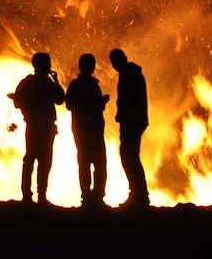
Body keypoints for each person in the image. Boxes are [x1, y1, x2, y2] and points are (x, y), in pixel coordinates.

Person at [9, 52, 65, 204]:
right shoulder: (35, 83)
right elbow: (60, 99)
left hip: (42, 127)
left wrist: (56, 82)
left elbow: (60, 99)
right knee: (36, 160)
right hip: (38, 127)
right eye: (47, 63)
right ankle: (32, 196)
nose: (49, 66)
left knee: (38, 161)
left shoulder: (34, 83)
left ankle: (36, 196)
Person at [65, 53, 110, 207]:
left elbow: (69, 105)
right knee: (97, 163)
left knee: (86, 163)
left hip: (82, 130)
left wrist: (98, 103)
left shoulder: (76, 85)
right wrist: (99, 102)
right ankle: (94, 197)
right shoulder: (89, 85)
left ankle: (90, 197)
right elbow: (71, 105)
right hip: (90, 130)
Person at [110, 48, 150, 208]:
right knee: (130, 157)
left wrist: (123, 114)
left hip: (132, 122)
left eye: (115, 62)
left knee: (129, 157)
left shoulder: (130, 75)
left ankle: (139, 196)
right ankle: (138, 194)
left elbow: (131, 100)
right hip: (133, 121)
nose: (115, 65)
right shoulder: (130, 73)